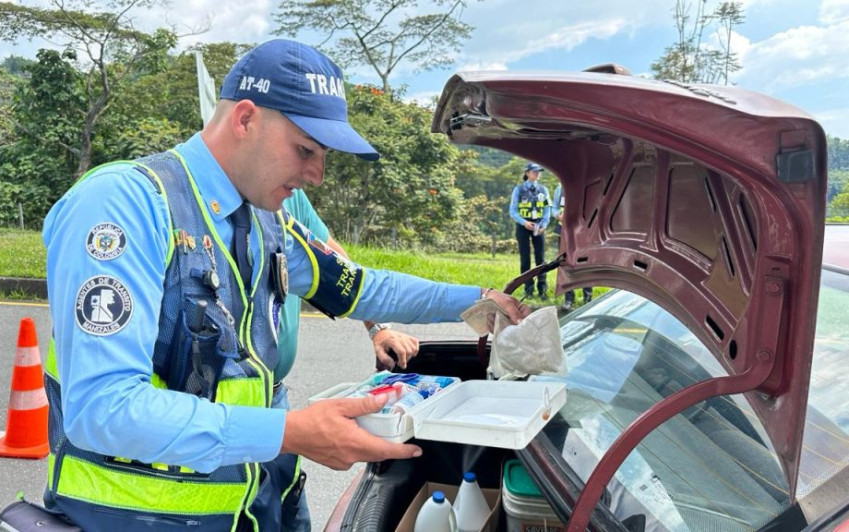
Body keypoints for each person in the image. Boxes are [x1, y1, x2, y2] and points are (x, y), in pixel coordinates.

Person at [41, 39, 528, 532]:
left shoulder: (265, 221)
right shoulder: (124, 204)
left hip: (261, 501)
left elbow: (361, 287)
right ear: (246, 119)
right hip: (141, 516)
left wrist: (477, 301)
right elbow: (102, 408)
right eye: (304, 150)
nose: (315, 175)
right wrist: (290, 433)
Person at [278, 189, 420, 375]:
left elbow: (340, 266)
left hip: (274, 390)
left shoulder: (291, 195)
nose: (315, 177)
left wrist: (378, 328)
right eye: (305, 157)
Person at [509, 162, 552, 299]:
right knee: (525, 258)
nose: (537, 174)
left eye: (538, 171)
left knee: (541, 258)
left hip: (539, 226)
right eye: (534, 171)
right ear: (527, 173)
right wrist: (524, 222)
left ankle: (542, 289)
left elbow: (547, 209)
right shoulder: (519, 190)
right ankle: (528, 289)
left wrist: (544, 224)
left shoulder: (543, 190)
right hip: (523, 226)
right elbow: (513, 211)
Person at [552, 184, 592, 311]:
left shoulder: (588, 185)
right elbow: (554, 207)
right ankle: (569, 299)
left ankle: (588, 297)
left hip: (583, 231)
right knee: (566, 263)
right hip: (564, 231)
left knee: (585, 262)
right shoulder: (560, 187)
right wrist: (558, 216)